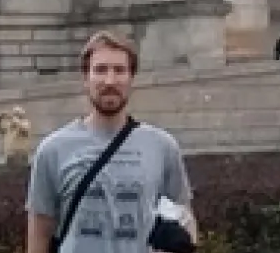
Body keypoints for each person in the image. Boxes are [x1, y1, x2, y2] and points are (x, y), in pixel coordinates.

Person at [25, 31, 196, 253]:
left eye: (119, 70)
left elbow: (185, 219)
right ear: (86, 78)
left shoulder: (163, 147)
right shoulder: (52, 150)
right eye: (100, 70)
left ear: (131, 78)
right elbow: (39, 232)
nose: (110, 80)